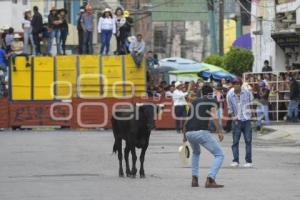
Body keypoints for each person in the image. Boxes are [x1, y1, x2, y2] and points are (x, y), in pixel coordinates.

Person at [183, 84, 224, 188]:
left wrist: (184, 136)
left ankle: (194, 179)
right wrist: (220, 131)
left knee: (196, 153)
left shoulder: (194, 101)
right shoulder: (212, 101)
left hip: (189, 132)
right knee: (219, 154)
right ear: (211, 93)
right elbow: (214, 116)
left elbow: (186, 120)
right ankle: (210, 179)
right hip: (201, 132)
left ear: (202, 93)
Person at [226, 78, 254, 168]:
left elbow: (251, 102)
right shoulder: (230, 95)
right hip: (236, 120)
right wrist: (232, 117)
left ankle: (248, 161)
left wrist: (252, 113)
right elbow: (229, 108)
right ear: (233, 84)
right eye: (234, 83)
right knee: (235, 141)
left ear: (241, 84)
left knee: (248, 141)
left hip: (247, 119)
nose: (236, 85)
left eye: (238, 83)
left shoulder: (246, 92)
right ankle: (235, 160)